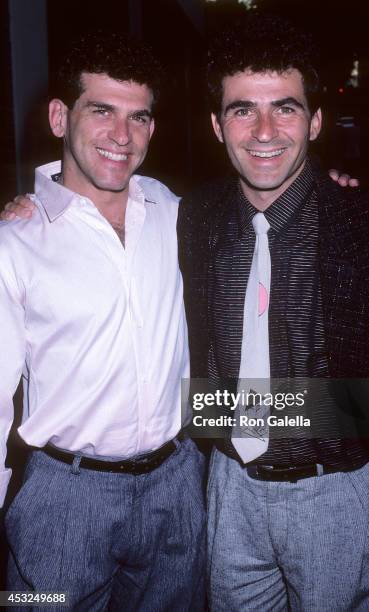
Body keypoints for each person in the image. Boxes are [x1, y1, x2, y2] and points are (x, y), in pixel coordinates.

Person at [177, 15, 369, 612]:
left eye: (285, 108)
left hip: (339, 496)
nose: (264, 130)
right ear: (217, 125)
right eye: (242, 110)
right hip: (228, 493)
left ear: (315, 121)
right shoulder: (196, 217)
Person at [0, 33, 205, 610]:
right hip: (62, 501)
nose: (123, 136)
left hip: (178, 486)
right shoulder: (15, 241)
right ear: (60, 115)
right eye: (102, 111)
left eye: (138, 117)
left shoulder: (175, 212)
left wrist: (334, 191)